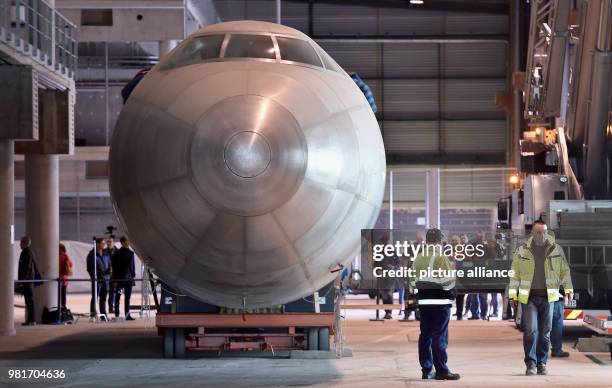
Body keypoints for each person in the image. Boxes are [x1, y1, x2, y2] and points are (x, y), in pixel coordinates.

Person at [509, 220, 573, 376]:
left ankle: (542, 363)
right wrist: (512, 295)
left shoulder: (556, 250)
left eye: (544, 232)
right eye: (538, 232)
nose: (542, 235)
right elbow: (514, 274)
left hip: (548, 297)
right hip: (529, 298)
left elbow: (564, 271)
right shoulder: (522, 251)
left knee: (545, 332)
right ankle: (530, 363)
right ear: (532, 233)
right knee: (531, 330)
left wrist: (568, 289)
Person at [410, 228, 460, 380]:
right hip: (440, 303)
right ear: (440, 242)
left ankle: (426, 369)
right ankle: (441, 370)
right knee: (439, 336)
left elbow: (412, 284)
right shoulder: (440, 257)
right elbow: (446, 283)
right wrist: (453, 289)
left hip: (424, 303)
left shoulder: (418, 258)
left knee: (425, 335)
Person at [112, 236, 136, 320]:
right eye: (126, 241)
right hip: (120, 280)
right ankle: (117, 314)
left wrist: (132, 276)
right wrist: (115, 280)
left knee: (127, 297)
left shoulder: (130, 253)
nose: (128, 243)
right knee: (118, 296)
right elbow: (114, 267)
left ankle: (126, 314)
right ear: (122, 242)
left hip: (128, 279)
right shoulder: (117, 253)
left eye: (128, 241)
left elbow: (132, 267)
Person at [17, 236, 37, 325]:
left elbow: (27, 268)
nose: (19, 244)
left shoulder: (27, 253)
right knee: (28, 301)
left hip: (27, 281)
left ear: (25, 243)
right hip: (28, 281)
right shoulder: (26, 252)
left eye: (21, 242)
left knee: (29, 301)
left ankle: (32, 320)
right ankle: (30, 320)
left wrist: (23, 281)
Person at [87, 238, 108, 318]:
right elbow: (90, 269)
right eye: (102, 243)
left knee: (103, 297)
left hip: (105, 280)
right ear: (98, 244)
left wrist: (108, 275)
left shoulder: (106, 253)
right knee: (95, 297)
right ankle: (93, 314)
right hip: (97, 280)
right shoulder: (92, 254)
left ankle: (103, 315)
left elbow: (109, 265)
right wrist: (95, 277)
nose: (104, 245)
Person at [103, 236, 117, 315]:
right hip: (106, 275)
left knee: (114, 292)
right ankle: (105, 310)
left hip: (115, 275)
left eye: (110, 241)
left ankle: (112, 308)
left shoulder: (117, 251)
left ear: (113, 242)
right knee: (104, 293)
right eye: (107, 242)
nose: (108, 243)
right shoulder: (104, 251)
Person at [58, 243, 73, 309]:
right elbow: (71, 264)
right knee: (63, 294)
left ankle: (59, 307)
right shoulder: (65, 256)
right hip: (65, 278)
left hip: (59, 278)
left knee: (58, 294)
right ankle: (63, 306)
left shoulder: (58, 256)